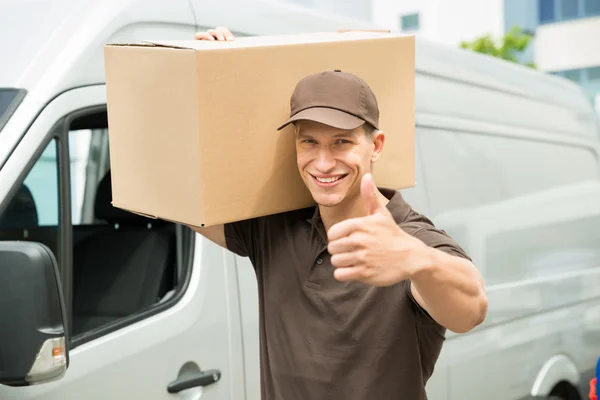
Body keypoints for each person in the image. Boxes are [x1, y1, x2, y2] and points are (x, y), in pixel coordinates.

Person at [192, 27, 488, 400]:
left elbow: (472, 309)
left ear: (375, 145)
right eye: (309, 142)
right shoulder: (275, 230)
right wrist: (207, 75)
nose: (323, 162)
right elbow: (182, 203)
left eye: (342, 142)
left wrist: (418, 261)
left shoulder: (407, 239)